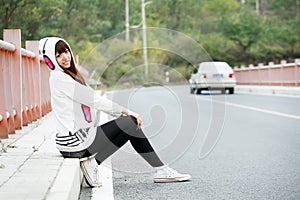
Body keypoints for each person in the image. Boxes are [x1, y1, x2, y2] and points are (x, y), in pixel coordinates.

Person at [39, 37, 191, 187]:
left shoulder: (65, 76)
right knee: (130, 122)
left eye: (66, 51)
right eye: (58, 55)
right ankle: (160, 170)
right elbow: (94, 100)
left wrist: (122, 114)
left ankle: (160, 170)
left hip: (72, 141)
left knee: (130, 127)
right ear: (50, 60)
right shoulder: (60, 78)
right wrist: (125, 111)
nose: (65, 57)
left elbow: (92, 97)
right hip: (74, 143)